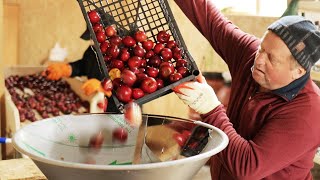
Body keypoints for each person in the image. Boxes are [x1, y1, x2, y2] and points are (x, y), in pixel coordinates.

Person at [172, 0, 320, 179]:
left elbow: (247, 167)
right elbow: (212, 21)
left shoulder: (308, 114)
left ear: (298, 71)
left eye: (271, 58)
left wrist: (210, 109)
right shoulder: (251, 55)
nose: (259, 60)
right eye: (261, 48)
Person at [44, 27, 119, 112]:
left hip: (112, 110)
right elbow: (84, 65)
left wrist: (105, 88)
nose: (92, 42)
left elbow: (126, 90)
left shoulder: (120, 57)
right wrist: (67, 69)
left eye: (95, 39)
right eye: (91, 39)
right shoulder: (92, 50)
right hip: (94, 102)